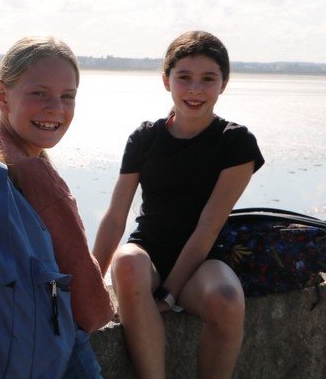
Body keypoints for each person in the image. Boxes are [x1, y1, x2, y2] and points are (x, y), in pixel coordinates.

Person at [92, 31, 264, 379]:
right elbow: (115, 216)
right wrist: (91, 281)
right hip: (149, 255)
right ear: (166, 81)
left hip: (205, 260)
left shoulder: (236, 142)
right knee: (127, 261)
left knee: (228, 300)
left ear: (223, 84)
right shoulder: (145, 137)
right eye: (184, 77)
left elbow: (208, 226)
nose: (195, 89)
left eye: (208, 79)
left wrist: (169, 295)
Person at [0, 36, 114, 377]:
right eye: (39, 94)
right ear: (2, 96)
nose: (56, 109)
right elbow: (91, 309)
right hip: (51, 347)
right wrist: (107, 307)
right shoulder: (31, 173)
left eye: (67, 96)